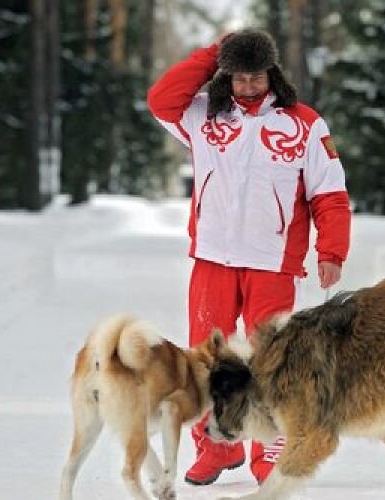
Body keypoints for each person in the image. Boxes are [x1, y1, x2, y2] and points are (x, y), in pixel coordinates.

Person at [146, 29, 351, 486]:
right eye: (237, 77)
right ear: (227, 76)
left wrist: (331, 249)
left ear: (271, 74)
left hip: (272, 262)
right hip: (213, 259)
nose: (248, 86)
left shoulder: (304, 124)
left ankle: (267, 454)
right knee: (207, 358)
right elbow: (161, 99)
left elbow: (331, 195)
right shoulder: (203, 116)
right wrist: (211, 54)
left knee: (269, 360)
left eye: (256, 76)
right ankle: (216, 448)